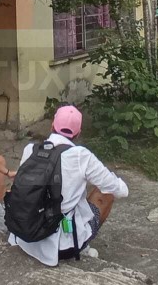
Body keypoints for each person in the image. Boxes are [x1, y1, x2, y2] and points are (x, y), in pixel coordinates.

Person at [8, 105, 128, 266]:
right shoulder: (81, 155)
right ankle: (82, 245)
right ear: (78, 133)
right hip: (62, 247)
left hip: (22, 235)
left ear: (52, 125)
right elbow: (120, 190)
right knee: (105, 193)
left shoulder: (31, 149)